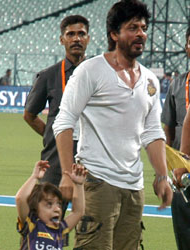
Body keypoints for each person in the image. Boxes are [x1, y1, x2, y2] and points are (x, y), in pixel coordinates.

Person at [52, 1, 173, 249]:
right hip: (97, 182)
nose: (141, 34)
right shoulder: (91, 71)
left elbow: (152, 132)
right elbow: (64, 121)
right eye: (132, 28)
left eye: (143, 27)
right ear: (114, 34)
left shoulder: (150, 80)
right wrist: (67, 175)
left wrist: (162, 175)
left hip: (134, 188)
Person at [23, 15, 90, 215]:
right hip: (56, 162)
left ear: (88, 38)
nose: (76, 39)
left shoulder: (97, 74)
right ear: (62, 40)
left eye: (81, 34)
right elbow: (29, 115)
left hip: (92, 158)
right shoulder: (49, 76)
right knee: (45, 219)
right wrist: (52, 135)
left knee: (92, 222)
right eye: (70, 34)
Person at [161, 26, 190, 250]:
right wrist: (166, 169)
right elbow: (168, 128)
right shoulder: (177, 84)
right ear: (186, 48)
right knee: (183, 232)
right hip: (182, 172)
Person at [16, 160, 87, 249]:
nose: (57, 209)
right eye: (49, 204)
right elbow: (20, 199)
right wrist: (34, 177)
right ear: (35, 208)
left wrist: (78, 185)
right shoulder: (32, 226)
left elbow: (78, 212)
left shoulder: (60, 230)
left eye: (58, 204)